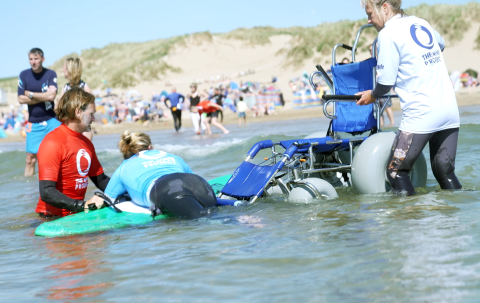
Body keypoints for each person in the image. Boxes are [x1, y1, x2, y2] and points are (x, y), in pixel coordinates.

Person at [356, 0, 461, 195]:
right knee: (445, 172)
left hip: (421, 114)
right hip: (449, 110)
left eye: (370, 14)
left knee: (395, 171)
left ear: (385, 8)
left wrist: (372, 95)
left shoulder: (387, 34)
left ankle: (411, 223)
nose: (369, 20)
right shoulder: (419, 22)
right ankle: (455, 220)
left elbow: (385, 83)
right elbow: (441, 44)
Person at [104, 131, 217, 219]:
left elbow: (108, 198)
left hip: (166, 189)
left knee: (202, 221)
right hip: (197, 182)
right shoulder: (171, 155)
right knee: (216, 215)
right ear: (150, 147)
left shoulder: (124, 167)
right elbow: (189, 177)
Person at [36, 87, 109, 217]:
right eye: (91, 114)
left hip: (76, 214)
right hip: (51, 219)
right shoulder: (52, 142)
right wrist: (83, 205)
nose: (93, 119)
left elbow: (101, 180)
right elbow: (46, 192)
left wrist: (130, 192)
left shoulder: (86, 143)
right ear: (78, 112)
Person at [18, 48, 62, 177]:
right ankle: (29, 192)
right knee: (30, 159)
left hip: (52, 121)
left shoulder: (50, 74)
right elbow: (20, 99)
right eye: (31, 59)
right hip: (34, 122)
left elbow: (51, 97)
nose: (33, 62)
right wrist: (43, 96)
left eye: (36, 59)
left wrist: (30, 94)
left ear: (42, 59)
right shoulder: (24, 75)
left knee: (60, 155)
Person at [58, 58, 94, 140]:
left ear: (71, 70)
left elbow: (92, 107)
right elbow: (58, 108)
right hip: (69, 127)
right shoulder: (65, 87)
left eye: (65, 68)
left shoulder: (84, 87)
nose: (63, 70)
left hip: (83, 128)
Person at [369, 44, 395, 127]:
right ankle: (381, 124)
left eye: (372, 49)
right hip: (375, 87)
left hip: (384, 86)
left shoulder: (382, 59)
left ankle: (392, 123)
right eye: (370, 50)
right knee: (378, 108)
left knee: (387, 106)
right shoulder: (371, 61)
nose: (371, 51)